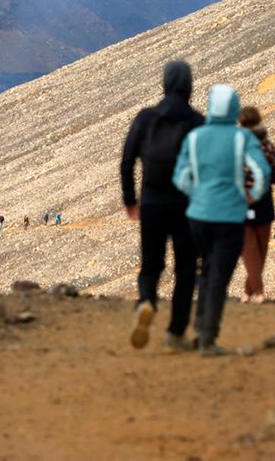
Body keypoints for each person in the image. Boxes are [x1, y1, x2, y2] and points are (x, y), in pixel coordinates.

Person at [172, 84, 271, 356]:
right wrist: (250, 196)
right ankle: (207, 337)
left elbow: (181, 177)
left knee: (204, 271)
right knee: (219, 276)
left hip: (198, 216)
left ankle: (198, 328)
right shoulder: (242, 138)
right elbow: (261, 172)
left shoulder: (196, 137)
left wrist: (198, 195)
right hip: (230, 216)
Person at [120, 59, 205, 351]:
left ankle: (146, 302)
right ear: (189, 86)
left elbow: (127, 160)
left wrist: (131, 201)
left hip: (152, 203)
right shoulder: (197, 122)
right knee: (185, 271)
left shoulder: (146, 118)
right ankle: (175, 335)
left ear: (165, 84)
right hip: (186, 206)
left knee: (151, 264)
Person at [237, 106, 275, 303]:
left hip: (242, 203)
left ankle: (252, 293)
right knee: (261, 250)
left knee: (249, 250)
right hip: (264, 202)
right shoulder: (268, 146)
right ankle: (254, 293)